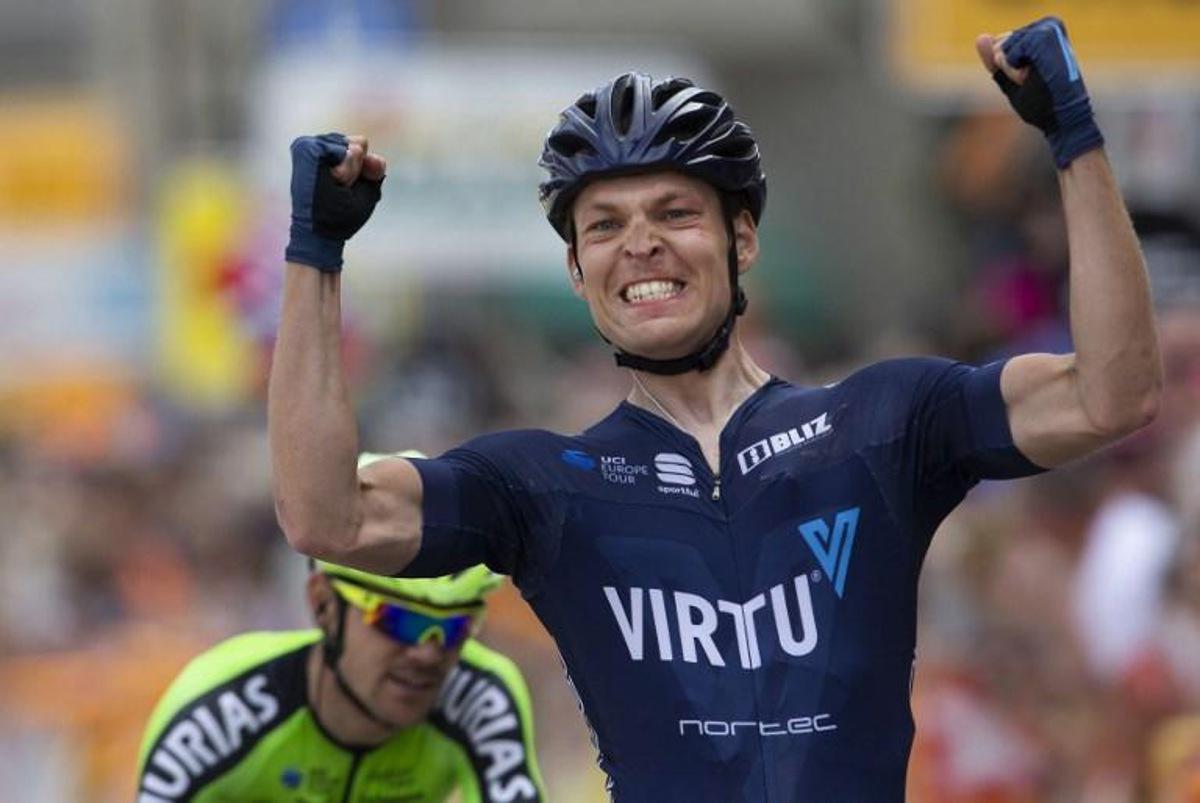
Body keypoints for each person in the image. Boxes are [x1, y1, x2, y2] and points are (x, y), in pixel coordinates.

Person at [268, 17, 1162, 801]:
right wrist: (316, 254)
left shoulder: (886, 422)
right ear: (579, 273)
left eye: (674, 211)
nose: (642, 243)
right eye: (605, 225)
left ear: (742, 239)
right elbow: (324, 514)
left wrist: (1074, 139)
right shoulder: (541, 484)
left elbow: (1111, 393)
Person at [136, 458, 546, 802]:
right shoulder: (220, 712)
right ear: (324, 606)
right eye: (399, 621)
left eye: (456, 628)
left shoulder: (480, 696)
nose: (428, 652)